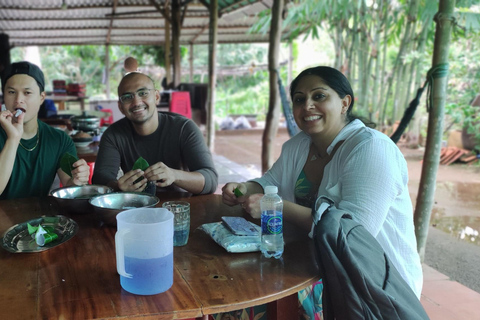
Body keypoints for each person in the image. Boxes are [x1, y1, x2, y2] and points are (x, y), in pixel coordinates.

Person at [222, 66, 423, 317]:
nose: (307, 105)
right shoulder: (299, 146)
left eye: (319, 96)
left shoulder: (371, 149)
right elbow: (269, 182)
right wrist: (241, 189)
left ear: (344, 103)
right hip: (317, 270)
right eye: (299, 99)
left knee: (249, 304)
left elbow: (351, 235)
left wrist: (275, 206)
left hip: (373, 289)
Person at [92, 72, 218, 195]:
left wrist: (174, 175)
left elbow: (210, 180)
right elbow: (100, 180)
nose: (136, 102)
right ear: (120, 107)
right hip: (135, 207)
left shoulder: (184, 128)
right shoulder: (113, 135)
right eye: (127, 97)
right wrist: (118, 187)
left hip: (180, 206)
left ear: (156, 97)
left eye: (143, 93)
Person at [0, 61, 90, 199]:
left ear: (41, 97)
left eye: (27, 92)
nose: (18, 100)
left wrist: (78, 180)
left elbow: (69, 188)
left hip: (39, 219)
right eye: (11, 92)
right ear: (4, 96)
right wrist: (13, 138)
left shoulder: (59, 140)